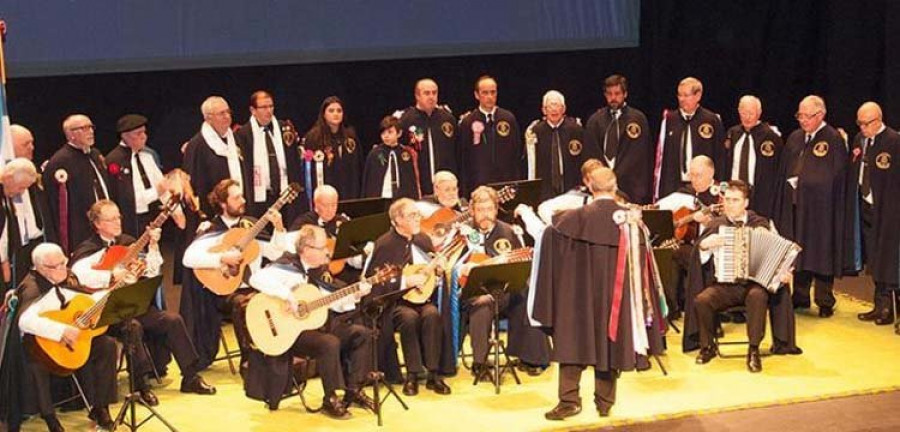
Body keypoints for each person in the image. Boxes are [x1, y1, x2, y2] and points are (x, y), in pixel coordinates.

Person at [530, 167, 665, 420]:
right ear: (615, 188)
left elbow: (547, 240)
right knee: (609, 340)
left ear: (590, 187)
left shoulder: (567, 221)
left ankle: (569, 400)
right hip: (614, 298)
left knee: (573, 339)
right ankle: (605, 402)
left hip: (575, 297)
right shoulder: (632, 224)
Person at [69, 200, 215, 405]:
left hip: (132, 304)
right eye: (111, 219)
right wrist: (111, 274)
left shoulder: (129, 242)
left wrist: (154, 246)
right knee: (133, 327)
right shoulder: (87, 249)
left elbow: (152, 271)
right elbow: (77, 276)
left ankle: (190, 376)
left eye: (118, 216)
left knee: (172, 320)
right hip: (107, 310)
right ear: (97, 223)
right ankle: (140, 386)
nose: (117, 222)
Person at [248, 224, 374, 418]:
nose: (326, 251)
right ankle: (330, 398)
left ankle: (354, 390)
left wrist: (355, 295)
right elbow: (256, 278)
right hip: (288, 332)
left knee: (362, 334)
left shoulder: (318, 272)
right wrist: (288, 296)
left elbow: (333, 302)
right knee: (329, 342)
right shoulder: (288, 265)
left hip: (315, 327)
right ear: (306, 250)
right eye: (322, 247)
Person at [181, 179, 289, 369]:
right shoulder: (211, 229)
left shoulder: (251, 225)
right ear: (223, 203)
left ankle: (279, 354)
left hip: (254, 286)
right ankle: (249, 360)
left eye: (242, 195)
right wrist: (223, 258)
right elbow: (188, 258)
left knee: (282, 297)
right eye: (237, 197)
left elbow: (275, 253)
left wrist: (279, 228)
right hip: (224, 293)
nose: (243, 200)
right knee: (243, 304)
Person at [688, 180, 794, 372]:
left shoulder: (761, 224)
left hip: (754, 284)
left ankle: (753, 349)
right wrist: (705, 245)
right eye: (727, 200)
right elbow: (700, 256)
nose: (729, 204)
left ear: (746, 203)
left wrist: (783, 273)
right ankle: (708, 346)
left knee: (757, 296)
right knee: (702, 300)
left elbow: (781, 254)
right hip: (726, 284)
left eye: (735, 200)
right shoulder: (716, 225)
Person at [15, 243, 119, 431]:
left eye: (63, 262)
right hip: (44, 348)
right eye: (56, 266)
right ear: (40, 268)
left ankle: (100, 407)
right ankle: (50, 417)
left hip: (72, 343)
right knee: (36, 364)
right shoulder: (32, 287)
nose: (63, 268)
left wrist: (112, 291)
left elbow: (83, 299)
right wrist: (60, 331)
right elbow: (24, 320)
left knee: (107, 345)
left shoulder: (66, 277)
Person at [456, 186, 550, 377]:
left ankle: (531, 356)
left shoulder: (507, 231)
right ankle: (479, 363)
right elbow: (451, 264)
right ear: (472, 211)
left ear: (496, 209)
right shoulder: (462, 233)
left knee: (526, 297)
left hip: (502, 290)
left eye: (489, 209)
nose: (485, 215)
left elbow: (520, 263)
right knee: (482, 304)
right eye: (480, 210)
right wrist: (463, 268)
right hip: (471, 291)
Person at [363, 198, 451, 395]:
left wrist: (437, 272)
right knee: (409, 319)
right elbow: (374, 283)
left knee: (432, 315)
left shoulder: (423, 239)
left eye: (418, 214)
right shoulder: (384, 244)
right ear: (397, 220)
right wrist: (405, 282)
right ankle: (412, 374)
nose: (418, 218)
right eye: (412, 215)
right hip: (394, 303)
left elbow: (430, 277)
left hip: (422, 299)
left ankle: (433, 374)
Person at [775, 95, 854, 318]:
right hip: (796, 206)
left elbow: (836, 176)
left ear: (820, 115)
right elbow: (785, 169)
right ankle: (800, 295)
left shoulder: (833, 139)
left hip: (822, 209)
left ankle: (824, 300)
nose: (802, 120)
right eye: (799, 115)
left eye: (807, 116)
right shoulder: (795, 138)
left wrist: (808, 185)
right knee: (797, 250)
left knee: (821, 252)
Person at [850, 102, 900, 325]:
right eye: (859, 123)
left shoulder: (894, 141)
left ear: (878, 120)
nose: (862, 127)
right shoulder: (860, 140)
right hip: (865, 205)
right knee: (874, 257)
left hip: (888, 209)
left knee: (888, 258)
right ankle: (878, 304)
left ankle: (891, 307)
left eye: (866, 123)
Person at [655, 156, 720, 317]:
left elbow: (730, 223)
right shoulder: (685, 193)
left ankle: (702, 312)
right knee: (667, 252)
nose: (694, 180)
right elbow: (659, 209)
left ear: (711, 173)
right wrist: (682, 221)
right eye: (691, 175)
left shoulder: (721, 195)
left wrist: (709, 223)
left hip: (713, 249)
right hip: (690, 245)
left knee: (680, 253)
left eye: (698, 175)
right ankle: (672, 307)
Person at [42, 114, 111, 253]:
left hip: (105, 222)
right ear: (70, 134)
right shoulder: (60, 162)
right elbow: (57, 207)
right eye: (84, 128)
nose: (91, 131)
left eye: (91, 127)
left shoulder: (95, 154)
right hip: (81, 228)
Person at [104, 114, 180, 238]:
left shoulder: (147, 156)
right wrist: (156, 192)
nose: (143, 137)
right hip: (132, 219)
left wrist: (175, 210)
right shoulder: (115, 160)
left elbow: (162, 184)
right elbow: (127, 199)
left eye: (144, 132)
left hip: (153, 215)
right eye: (138, 134)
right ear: (125, 136)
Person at [234, 91, 305, 223]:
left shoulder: (285, 129)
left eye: (271, 106)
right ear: (253, 110)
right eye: (264, 107)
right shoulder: (243, 134)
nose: (269, 111)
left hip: (285, 195)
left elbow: (294, 162)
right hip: (260, 197)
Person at [584, 75, 654, 204]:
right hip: (601, 186)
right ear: (605, 95)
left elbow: (643, 157)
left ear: (625, 94)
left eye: (617, 93)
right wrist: (603, 175)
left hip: (631, 188)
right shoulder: (595, 121)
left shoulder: (637, 119)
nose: (613, 98)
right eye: (609, 94)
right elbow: (591, 154)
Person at [654, 77, 726, 201]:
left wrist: (719, 185)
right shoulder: (670, 120)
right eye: (679, 95)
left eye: (686, 95)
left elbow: (720, 156)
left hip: (703, 187)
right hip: (674, 185)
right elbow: (661, 158)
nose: (681, 99)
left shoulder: (711, 120)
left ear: (698, 96)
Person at [182, 96, 245, 219]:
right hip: (212, 213)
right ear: (208, 118)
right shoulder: (197, 145)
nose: (227, 116)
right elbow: (193, 186)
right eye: (222, 113)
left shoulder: (236, 139)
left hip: (238, 207)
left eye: (228, 112)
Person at [457, 75, 523, 194]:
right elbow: (463, 160)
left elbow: (516, 155)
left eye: (493, 92)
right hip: (478, 187)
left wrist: (516, 184)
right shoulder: (468, 122)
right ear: (477, 95)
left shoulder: (508, 118)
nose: (490, 97)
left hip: (505, 185)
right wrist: (465, 191)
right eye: (485, 93)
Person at [524, 90, 592, 201]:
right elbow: (530, 166)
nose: (554, 109)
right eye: (550, 106)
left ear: (564, 109)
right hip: (544, 193)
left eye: (557, 106)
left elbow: (585, 160)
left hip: (573, 191)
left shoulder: (576, 130)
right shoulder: (534, 132)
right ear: (544, 110)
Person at [723, 96, 784, 219]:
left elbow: (777, 170)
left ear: (759, 113)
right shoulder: (732, 133)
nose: (747, 117)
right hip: (734, 193)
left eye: (751, 113)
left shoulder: (770, 137)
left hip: (759, 196)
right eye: (744, 113)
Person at [397, 78, 458, 195]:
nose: (431, 97)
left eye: (434, 93)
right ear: (417, 96)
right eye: (426, 93)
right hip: (417, 187)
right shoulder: (405, 120)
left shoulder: (447, 119)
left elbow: (457, 152)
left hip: (445, 187)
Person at [301, 96, 363, 201]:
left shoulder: (350, 137)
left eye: (339, 111)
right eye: (331, 111)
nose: (336, 114)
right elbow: (308, 168)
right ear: (324, 114)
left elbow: (358, 167)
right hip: (324, 192)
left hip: (347, 192)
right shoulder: (313, 137)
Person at [0, 159, 40, 292]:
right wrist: (4, 262)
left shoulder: (6, 196)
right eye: (21, 187)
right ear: (9, 177)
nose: (21, 192)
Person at [362, 116, 420, 200]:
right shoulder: (375, 153)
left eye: (390, 132)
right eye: (383, 133)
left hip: (401, 199)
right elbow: (369, 181)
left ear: (399, 133)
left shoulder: (406, 153)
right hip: (382, 197)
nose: (386, 136)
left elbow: (411, 181)